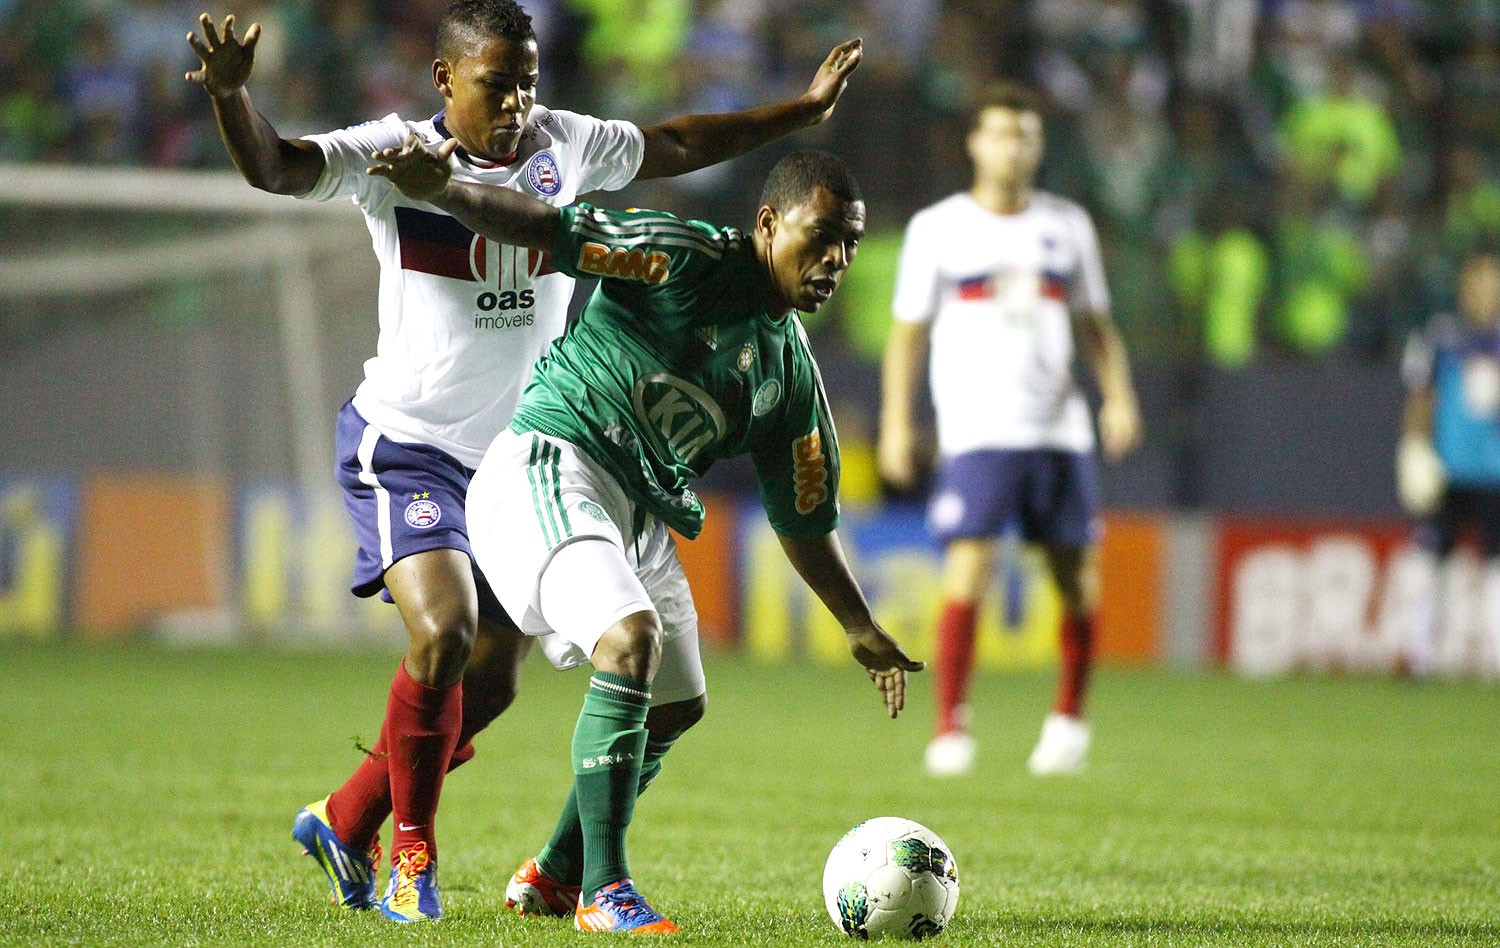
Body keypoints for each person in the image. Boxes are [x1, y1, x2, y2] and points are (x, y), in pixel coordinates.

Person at [185, 2, 866, 922]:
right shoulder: (393, 153)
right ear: (444, 81)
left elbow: (671, 141)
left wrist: (800, 112)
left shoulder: (564, 143)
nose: (517, 102)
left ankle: (344, 819)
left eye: (529, 81)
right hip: (413, 443)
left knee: (491, 686)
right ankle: (410, 861)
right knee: (447, 635)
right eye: (497, 83)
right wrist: (233, 99)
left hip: (518, 455)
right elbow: (275, 164)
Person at [367, 137, 922, 933]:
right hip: (552, 463)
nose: (834, 259)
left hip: (634, 510)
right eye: (820, 235)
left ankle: (554, 876)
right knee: (629, 640)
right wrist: (448, 187)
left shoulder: (790, 377)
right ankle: (605, 890)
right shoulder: (680, 259)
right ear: (768, 223)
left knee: (676, 704)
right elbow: (549, 228)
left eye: (849, 245)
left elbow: (804, 517)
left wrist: (858, 623)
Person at [878, 82, 1142, 778]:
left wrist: (1118, 396)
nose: (1012, 146)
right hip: (977, 427)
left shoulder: (1067, 225)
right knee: (968, 571)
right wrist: (897, 421)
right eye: (1000, 133)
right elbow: (907, 335)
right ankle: (950, 724)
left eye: (1025, 134)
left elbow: (1096, 326)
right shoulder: (939, 228)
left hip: (1059, 427)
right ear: (975, 143)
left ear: (1039, 146)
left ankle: (1069, 722)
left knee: (1076, 580)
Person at [1398, 249, 1500, 674]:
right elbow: (1420, 396)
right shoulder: (1441, 337)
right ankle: (1417, 655)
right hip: (1448, 470)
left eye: (1491, 286)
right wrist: (1414, 449)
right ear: (1463, 290)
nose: (1483, 294)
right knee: (1428, 562)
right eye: (1477, 285)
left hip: (1495, 473)